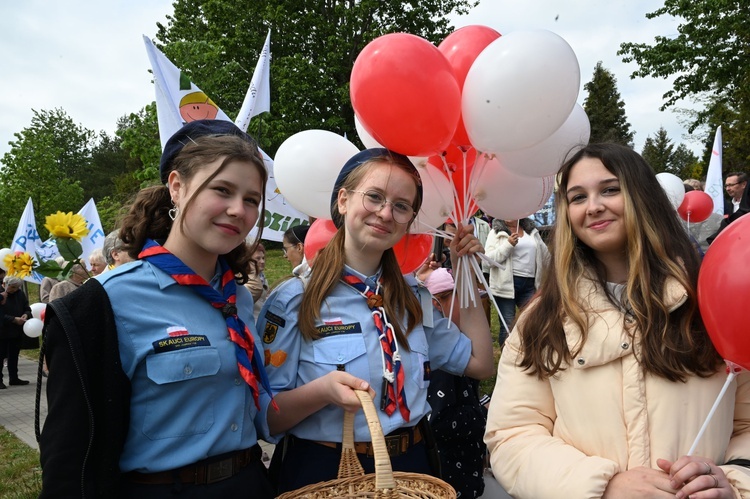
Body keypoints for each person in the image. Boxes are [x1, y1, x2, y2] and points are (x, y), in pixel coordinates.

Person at [484, 143, 750, 498]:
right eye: (578, 197)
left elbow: (746, 425)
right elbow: (512, 435)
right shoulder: (542, 319)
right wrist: (602, 486)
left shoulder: (711, 303)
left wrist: (732, 483)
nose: (594, 207)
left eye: (610, 189)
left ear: (644, 196)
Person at [38, 119, 276, 498]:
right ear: (177, 187)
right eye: (222, 190)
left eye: (251, 199)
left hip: (250, 481)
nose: (238, 210)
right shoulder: (99, 304)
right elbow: (69, 459)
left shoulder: (238, 298)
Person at [257, 148, 494, 493]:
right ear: (342, 200)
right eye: (374, 197)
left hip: (412, 468)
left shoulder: (414, 297)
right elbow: (266, 418)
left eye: (401, 206)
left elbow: (480, 363)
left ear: (410, 219)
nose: (385, 213)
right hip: (327, 472)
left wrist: (463, 267)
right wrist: (322, 391)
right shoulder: (294, 300)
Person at [420, 266, 487, 499]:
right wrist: (485, 414)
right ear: (438, 304)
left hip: (467, 469)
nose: (475, 313)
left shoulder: (462, 350)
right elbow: (436, 420)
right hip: (448, 475)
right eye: (467, 305)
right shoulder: (442, 360)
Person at [484, 218, 549, 346]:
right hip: (505, 285)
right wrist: (508, 245)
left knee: (533, 321)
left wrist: (555, 272)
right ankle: (506, 361)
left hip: (530, 284)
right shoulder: (496, 232)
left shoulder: (532, 231)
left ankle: (529, 355)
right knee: (508, 326)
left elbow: (545, 256)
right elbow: (488, 261)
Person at [1, 275, 32, 387]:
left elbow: (27, 308)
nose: (15, 290)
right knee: (1, 355)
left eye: (17, 287)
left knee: (14, 355)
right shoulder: (1, 294)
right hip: (3, 330)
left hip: (16, 330)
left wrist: (26, 315)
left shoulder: (20, 294)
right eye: (12, 287)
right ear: (4, 284)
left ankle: (14, 378)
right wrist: (13, 319)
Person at [244, 242, 268, 320]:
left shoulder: (261, 276)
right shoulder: (243, 279)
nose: (262, 261)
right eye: (258, 258)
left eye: (263, 258)